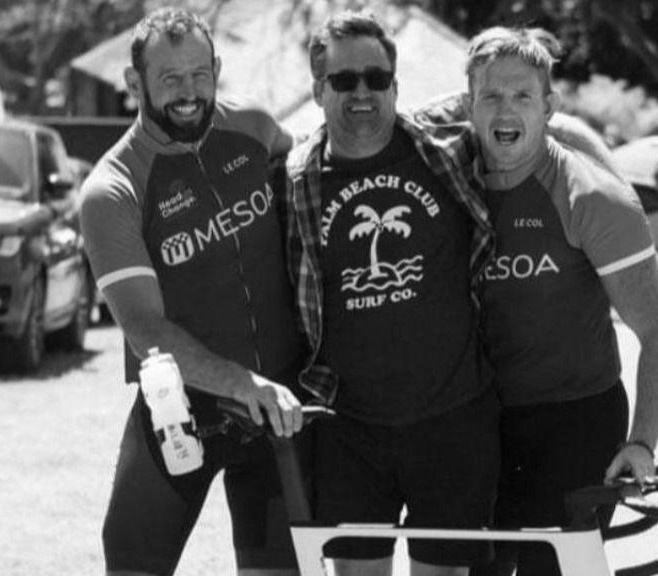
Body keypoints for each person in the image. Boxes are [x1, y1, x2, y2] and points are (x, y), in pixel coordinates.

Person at [419, 27, 658, 576]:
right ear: (469, 106)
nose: (506, 109)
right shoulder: (444, 184)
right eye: (491, 96)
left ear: (549, 108)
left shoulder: (592, 197)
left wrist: (643, 442)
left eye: (522, 96)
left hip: (576, 421)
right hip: (483, 421)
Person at [78, 8, 308, 576]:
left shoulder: (254, 128)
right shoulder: (113, 189)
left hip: (276, 408)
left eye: (200, 74)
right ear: (134, 84)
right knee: (130, 561)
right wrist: (241, 383)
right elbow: (145, 330)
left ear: (217, 69)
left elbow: (324, 172)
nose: (189, 93)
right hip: (180, 408)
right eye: (170, 79)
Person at [283, 9, 501, 576]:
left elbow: (539, 124)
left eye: (376, 79)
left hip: (453, 421)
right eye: (344, 80)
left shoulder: (449, 153)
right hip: (348, 430)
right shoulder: (295, 180)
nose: (362, 92)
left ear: (395, 87)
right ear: (317, 89)